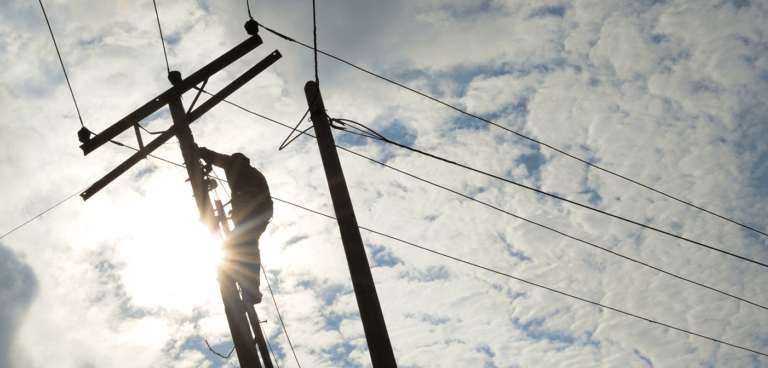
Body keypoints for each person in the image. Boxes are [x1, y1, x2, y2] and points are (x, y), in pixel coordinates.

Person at [198, 146, 273, 304]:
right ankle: (249, 285)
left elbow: (217, 157)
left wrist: (197, 150)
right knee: (248, 244)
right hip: (263, 212)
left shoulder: (237, 164)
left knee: (236, 242)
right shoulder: (255, 173)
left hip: (251, 208)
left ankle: (245, 283)